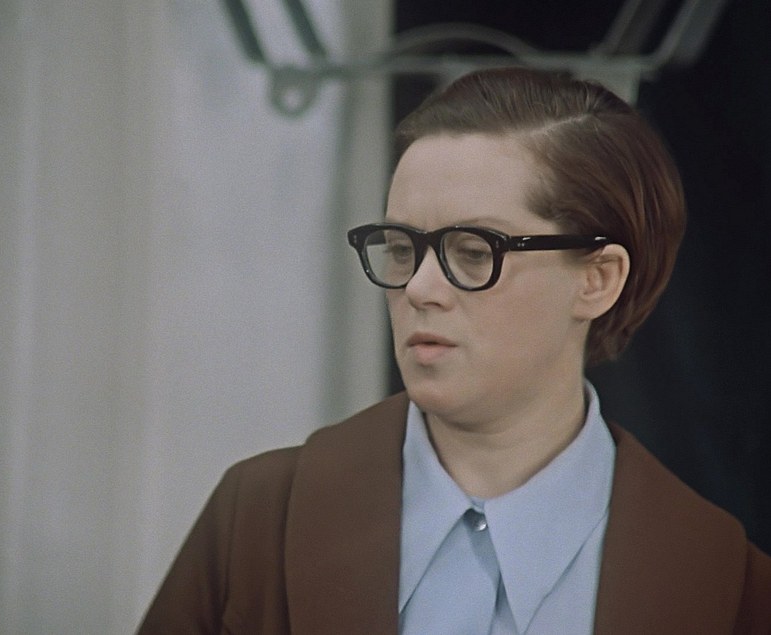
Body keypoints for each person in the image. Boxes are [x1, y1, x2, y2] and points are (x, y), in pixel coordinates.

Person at [137, 67, 771, 634]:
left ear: (597, 279)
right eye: (402, 248)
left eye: (473, 251)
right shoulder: (258, 521)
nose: (418, 288)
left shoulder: (730, 587)